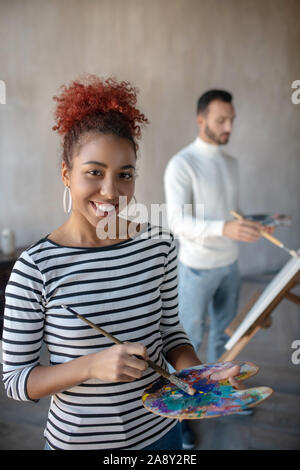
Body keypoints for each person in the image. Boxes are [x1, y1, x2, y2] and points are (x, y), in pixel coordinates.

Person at [2, 77, 243, 451]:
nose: (111, 192)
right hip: (79, 443)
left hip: (162, 435)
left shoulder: (158, 245)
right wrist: (90, 367)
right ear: (66, 174)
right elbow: (16, 381)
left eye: (124, 175)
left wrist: (201, 374)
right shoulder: (36, 269)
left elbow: (170, 334)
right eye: (94, 172)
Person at [164, 89, 273, 449]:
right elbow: (178, 222)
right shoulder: (182, 164)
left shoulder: (231, 163)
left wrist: (255, 224)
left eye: (231, 120)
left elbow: (234, 211)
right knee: (186, 344)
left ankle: (221, 398)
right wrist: (224, 228)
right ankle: (182, 421)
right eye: (221, 120)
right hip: (195, 269)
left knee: (225, 340)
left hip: (230, 266)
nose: (229, 127)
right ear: (201, 120)